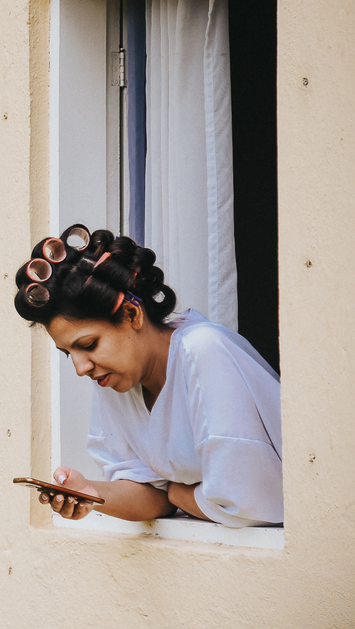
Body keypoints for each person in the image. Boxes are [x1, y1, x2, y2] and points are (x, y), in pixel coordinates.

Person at [14, 224, 283, 528]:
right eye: (68, 353)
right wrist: (88, 492)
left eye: (88, 345)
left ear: (132, 314)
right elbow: (151, 496)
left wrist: (178, 495)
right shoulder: (114, 379)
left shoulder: (203, 351)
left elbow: (250, 503)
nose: (80, 368)